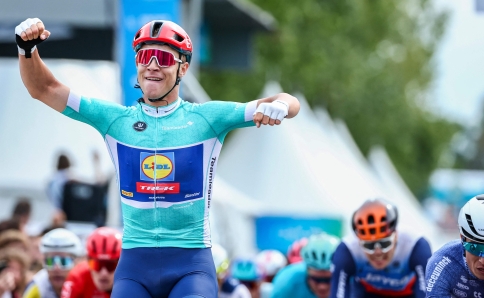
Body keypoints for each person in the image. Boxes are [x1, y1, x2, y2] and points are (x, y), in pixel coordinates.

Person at [16, 17, 300, 298]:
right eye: (145, 56)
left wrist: (280, 105)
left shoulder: (207, 118)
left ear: (183, 68)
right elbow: (44, 88)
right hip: (135, 266)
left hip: (191, 265)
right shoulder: (115, 120)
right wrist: (27, 49)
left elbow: (290, 102)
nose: (152, 65)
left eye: (163, 57)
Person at [329, 198, 432, 298]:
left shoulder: (415, 246)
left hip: (408, 293)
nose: (378, 252)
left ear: (395, 236)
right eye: (369, 246)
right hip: (367, 292)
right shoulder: (347, 250)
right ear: (359, 242)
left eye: (384, 244)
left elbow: (429, 293)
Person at [271, 233, 339, 298]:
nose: (322, 286)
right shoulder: (285, 282)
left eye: (329, 279)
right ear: (307, 271)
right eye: (316, 279)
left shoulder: (349, 279)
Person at [60, 227, 121, 298]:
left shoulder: (130, 279)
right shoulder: (77, 276)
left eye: (111, 265)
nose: (104, 273)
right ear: (87, 262)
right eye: (97, 265)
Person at [23, 228, 82, 298]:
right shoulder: (37, 287)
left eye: (64, 262)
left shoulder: (87, 284)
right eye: (50, 262)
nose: (56, 268)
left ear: (77, 263)